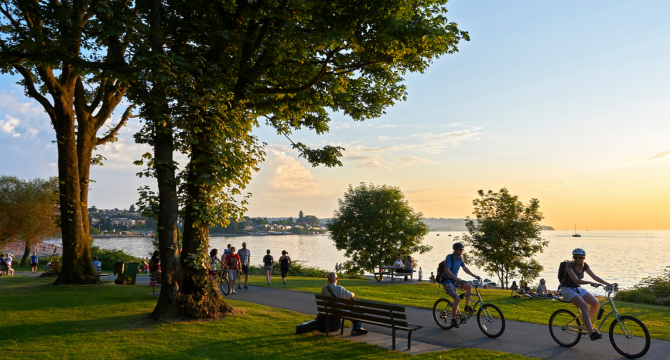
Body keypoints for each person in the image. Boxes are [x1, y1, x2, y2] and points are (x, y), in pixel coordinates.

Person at [560, 248, 616, 341]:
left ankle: (586, 325)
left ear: (583, 258)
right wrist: (590, 282)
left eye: (580, 258)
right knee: (584, 306)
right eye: (575, 257)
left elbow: (595, 277)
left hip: (577, 288)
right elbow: (576, 280)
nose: (577, 259)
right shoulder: (569, 265)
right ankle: (591, 333)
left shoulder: (584, 265)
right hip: (566, 289)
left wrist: (609, 284)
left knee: (595, 303)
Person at [441, 242, 480, 329]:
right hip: (447, 281)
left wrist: (475, 276)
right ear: (455, 250)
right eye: (460, 249)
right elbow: (447, 270)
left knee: (469, 286)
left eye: (462, 249)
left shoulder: (460, 259)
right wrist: (455, 278)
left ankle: (466, 307)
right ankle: (453, 319)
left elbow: (465, 268)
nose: (461, 251)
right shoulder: (449, 257)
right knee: (457, 299)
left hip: (454, 281)